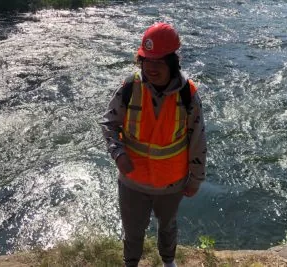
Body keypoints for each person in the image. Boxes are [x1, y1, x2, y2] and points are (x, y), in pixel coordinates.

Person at [100, 22, 207, 267]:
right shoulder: (129, 87)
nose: (151, 68)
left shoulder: (188, 95)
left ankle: (169, 262)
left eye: (158, 62)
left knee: (168, 227)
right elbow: (108, 123)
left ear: (172, 62)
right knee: (133, 230)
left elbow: (198, 139)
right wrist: (118, 153)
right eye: (146, 61)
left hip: (171, 183)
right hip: (132, 182)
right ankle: (131, 263)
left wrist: (196, 178)